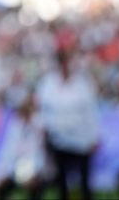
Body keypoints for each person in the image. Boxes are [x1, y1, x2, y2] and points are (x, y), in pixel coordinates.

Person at [36, 47, 101, 200]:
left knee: (84, 179)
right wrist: (44, 129)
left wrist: (94, 136)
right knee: (61, 180)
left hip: (82, 138)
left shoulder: (83, 84)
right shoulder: (48, 83)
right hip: (58, 138)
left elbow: (91, 112)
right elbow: (43, 109)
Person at [0, 94, 49, 200]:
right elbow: (8, 153)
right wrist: (3, 174)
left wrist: (33, 173)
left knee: (35, 185)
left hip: (34, 170)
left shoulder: (39, 126)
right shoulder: (15, 127)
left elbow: (40, 154)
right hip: (16, 168)